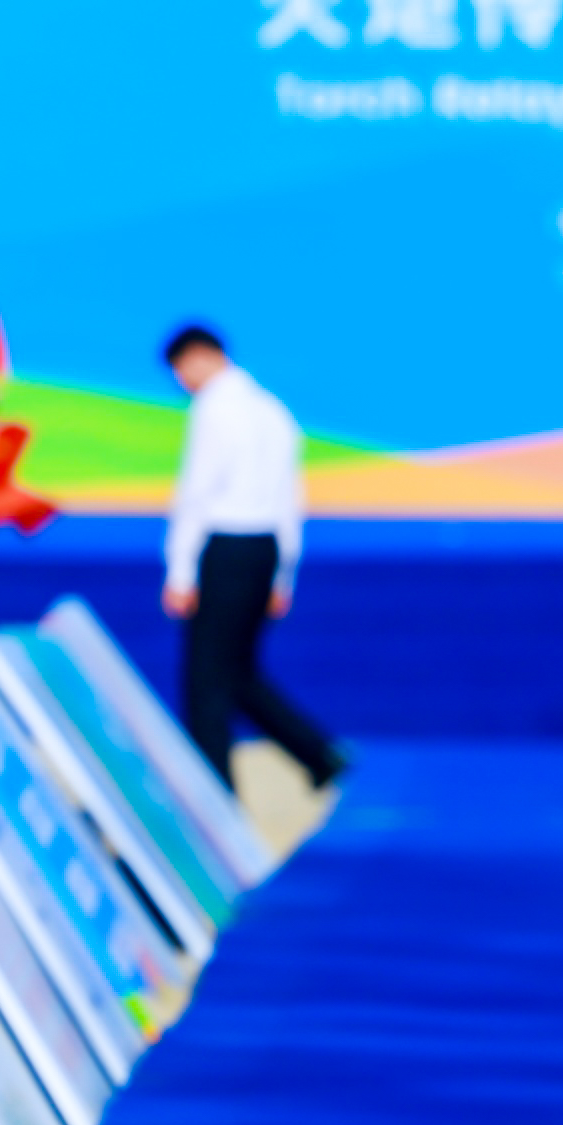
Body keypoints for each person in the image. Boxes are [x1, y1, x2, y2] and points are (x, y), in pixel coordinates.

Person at [162, 323, 340, 792]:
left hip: (226, 546)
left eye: (180, 371)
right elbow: (290, 500)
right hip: (265, 551)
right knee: (237, 671)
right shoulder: (272, 411)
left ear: (199, 357)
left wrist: (181, 569)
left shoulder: (215, 409)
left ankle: (216, 797)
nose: (182, 383)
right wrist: (283, 575)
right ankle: (316, 753)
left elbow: (196, 492)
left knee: (207, 682)